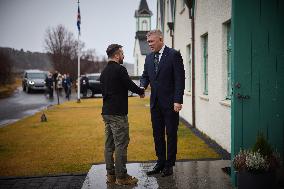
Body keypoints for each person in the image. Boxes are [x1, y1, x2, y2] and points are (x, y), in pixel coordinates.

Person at [140, 30, 185, 177]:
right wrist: (142, 86)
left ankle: (169, 165)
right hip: (155, 104)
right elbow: (145, 76)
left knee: (171, 134)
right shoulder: (148, 58)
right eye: (148, 42)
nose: (150, 45)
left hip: (171, 104)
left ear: (160, 39)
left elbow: (180, 79)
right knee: (157, 135)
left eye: (152, 42)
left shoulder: (173, 55)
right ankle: (160, 162)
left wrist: (178, 100)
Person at [100, 44, 144, 185]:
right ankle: (121, 177)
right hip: (118, 114)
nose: (124, 56)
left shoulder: (104, 72)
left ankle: (110, 175)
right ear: (117, 55)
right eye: (122, 54)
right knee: (121, 144)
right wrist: (141, 91)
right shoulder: (120, 69)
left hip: (106, 112)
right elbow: (129, 84)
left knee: (109, 145)